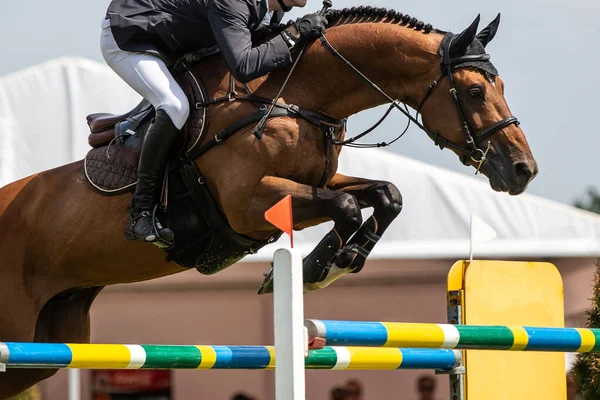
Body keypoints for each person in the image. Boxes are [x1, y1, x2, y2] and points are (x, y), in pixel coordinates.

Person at [100, 0, 328, 244]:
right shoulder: (234, 2)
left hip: (175, 37)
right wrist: (294, 34)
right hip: (132, 36)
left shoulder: (274, 9)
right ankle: (141, 212)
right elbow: (244, 65)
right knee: (174, 107)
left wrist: (294, 34)